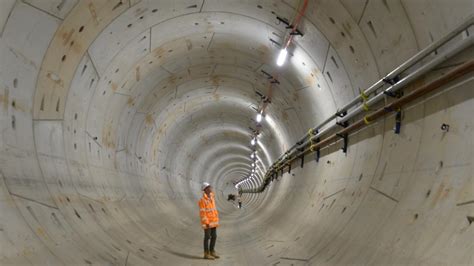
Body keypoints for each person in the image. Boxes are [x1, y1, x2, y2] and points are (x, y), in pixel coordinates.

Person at [198, 182, 220, 260]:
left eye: (210, 187)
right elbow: (202, 212)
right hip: (207, 223)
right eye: (209, 187)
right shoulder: (202, 200)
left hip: (213, 221)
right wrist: (206, 222)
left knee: (214, 236)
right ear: (205, 189)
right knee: (207, 237)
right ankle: (206, 254)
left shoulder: (212, 198)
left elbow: (213, 210)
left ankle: (212, 251)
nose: (211, 188)